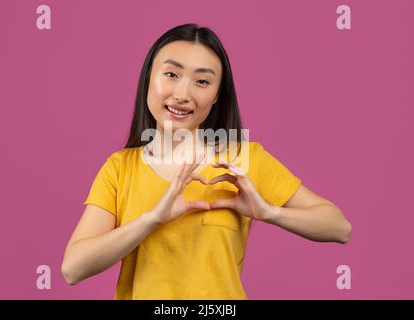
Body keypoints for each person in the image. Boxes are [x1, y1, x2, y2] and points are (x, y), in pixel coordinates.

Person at [61, 23, 352, 300]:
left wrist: (269, 212)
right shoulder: (120, 168)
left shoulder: (242, 160)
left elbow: (339, 228)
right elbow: (73, 269)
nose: (183, 94)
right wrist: (151, 220)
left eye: (202, 81)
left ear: (215, 96)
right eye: (171, 75)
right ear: (149, 77)